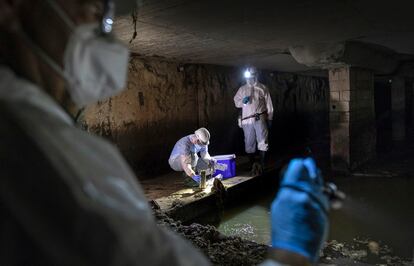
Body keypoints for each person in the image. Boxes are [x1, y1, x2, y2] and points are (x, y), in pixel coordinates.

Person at [0, 0, 328, 265]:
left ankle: (249, 163)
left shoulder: (30, 122)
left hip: (253, 122)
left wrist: (212, 165)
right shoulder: (40, 143)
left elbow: (213, 149)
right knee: (226, 153)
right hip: (196, 153)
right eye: (90, 6)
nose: (100, 24)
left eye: (104, 12)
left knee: (244, 150)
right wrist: (291, 252)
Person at [234, 66, 274, 175]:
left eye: (252, 76)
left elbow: (269, 105)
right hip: (247, 120)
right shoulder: (242, 89)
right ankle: (252, 164)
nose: (250, 79)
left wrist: (270, 118)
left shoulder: (262, 88)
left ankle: (262, 163)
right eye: (249, 77)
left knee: (262, 140)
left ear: (256, 75)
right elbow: (236, 102)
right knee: (249, 142)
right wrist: (243, 101)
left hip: (260, 117)